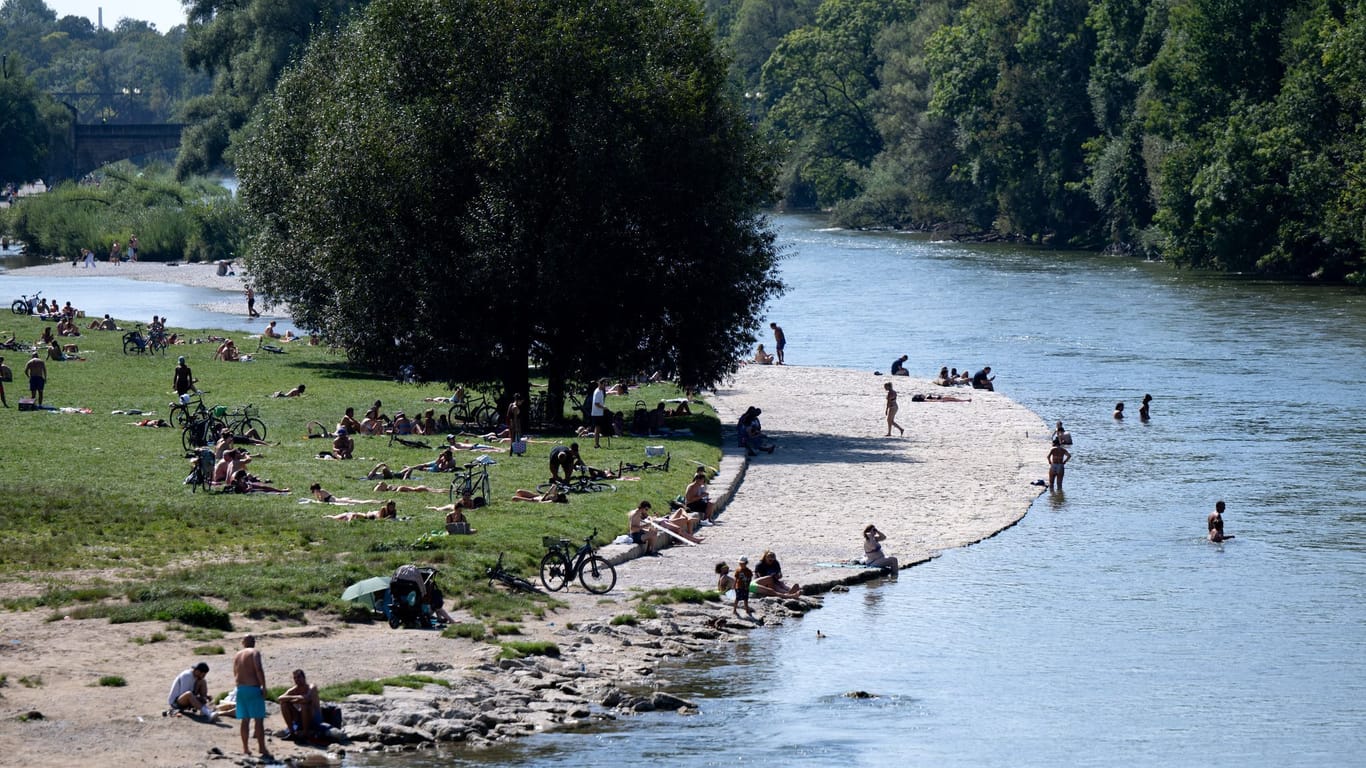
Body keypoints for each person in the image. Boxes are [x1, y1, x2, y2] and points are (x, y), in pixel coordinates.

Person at [233, 635, 269, 758]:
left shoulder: (237, 655)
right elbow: (258, 668)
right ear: (253, 642)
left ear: (243, 642)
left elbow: (235, 672)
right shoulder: (254, 652)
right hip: (253, 688)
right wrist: (263, 686)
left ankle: (245, 748)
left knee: (245, 720)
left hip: (241, 689)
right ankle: (262, 748)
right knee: (258, 719)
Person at [325, 501, 397, 521]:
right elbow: (380, 519)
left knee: (341, 518)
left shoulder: (394, 511)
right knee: (336, 518)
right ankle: (326, 517)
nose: (392, 508)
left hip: (369, 516)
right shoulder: (383, 509)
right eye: (390, 507)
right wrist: (388, 518)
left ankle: (328, 517)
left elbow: (393, 517)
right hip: (372, 514)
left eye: (392, 507)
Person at [590, 379, 608, 448]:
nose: (604, 386)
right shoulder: (597, 392)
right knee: (597, 429)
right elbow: (596, 404)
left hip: (600, 413)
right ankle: (596, 444)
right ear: (600, 384)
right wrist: (604, 407)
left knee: (598, 428)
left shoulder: (601, 391)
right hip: (596, 413)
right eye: (604, 384)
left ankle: (597, 443)